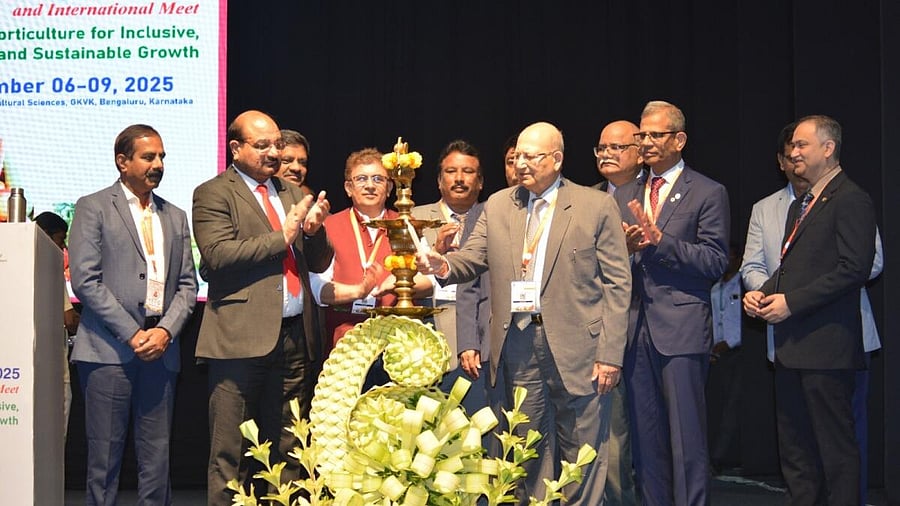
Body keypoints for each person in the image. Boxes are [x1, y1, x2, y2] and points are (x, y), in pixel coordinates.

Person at [417, 121, 632, 505]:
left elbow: (618, 285)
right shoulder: (499, 204)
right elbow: (471, 259)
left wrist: (610, 354)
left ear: (557, 159)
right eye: (517, 157)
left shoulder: (596, 205)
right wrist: (442, 265)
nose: (521, 165)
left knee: (581, 451)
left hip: (580, 349)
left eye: (531, 157)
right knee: (524, 447)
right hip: (516, 344)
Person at [192, 110, 333, 506]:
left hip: (293, 338)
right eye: (263, 145)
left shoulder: (291, 192)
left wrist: (313, 231)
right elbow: (217, 256)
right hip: (239, 340)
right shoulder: (213, 193)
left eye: (277, 144)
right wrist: (283, 235)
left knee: (290, 446)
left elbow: (318, 262)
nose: (274, 152)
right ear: (236, 148)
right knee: (231, 452)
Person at [742, 115, 878, 505]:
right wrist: (763, 294)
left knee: (835, 452)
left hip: (827, 347)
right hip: (791, 347)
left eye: (802, 145)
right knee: (797, 452)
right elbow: (791, 267)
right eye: (792, 148)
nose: (794, 152)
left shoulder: (851, 198)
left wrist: (792, 303)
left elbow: (855, 268)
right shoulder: (800, 204)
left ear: (828, 148)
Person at [68, 124, 198, 505]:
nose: (158, 164)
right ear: (122, 161)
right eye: (148, 156)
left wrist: (165, 332)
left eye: (161, 157)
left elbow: (188, 286)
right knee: (103, 461)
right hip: (108, 352)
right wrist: (133, 333)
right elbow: (85, 281)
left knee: (157, 459)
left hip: (161, 348)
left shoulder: (174, 215)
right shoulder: (93, 206)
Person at [612, 100, 730, 506]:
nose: (645, 142)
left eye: (655, 135)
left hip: (680, 329)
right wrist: (623, 249)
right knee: (646, 439)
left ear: (679, 140)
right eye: (641, 135)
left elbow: (715, 261)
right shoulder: (625, 192)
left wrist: (661, 242)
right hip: (632, 329)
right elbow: (606, 265)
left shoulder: (708, 191)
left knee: (686, 439)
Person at [309, 147, 432, 350]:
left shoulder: (407, 224)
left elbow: (431, 282)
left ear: (390, 187)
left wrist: (399, 282)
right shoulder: (329, 226)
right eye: (361, 179)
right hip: (345, 342)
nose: (369, 186)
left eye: (378, 179)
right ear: (348, 188)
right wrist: (358, 291)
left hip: (399, 343)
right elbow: (315, 287)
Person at [411, 140, 491, 413]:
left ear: (480, 182)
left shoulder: (495, 218)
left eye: (468, 172)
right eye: (451, 171)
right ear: (438, 180)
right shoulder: (414, 218)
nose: (459, 179)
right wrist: (436, 253)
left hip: (480, 342)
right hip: (427, 342)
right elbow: (403, 281)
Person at [592, 119, 642, 506]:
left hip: (650, 327)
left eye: (617, 147)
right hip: (592, 331)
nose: (607, 154)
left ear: (640, 152)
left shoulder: (650, 195)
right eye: (601, 148)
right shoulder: (588, 198)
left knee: (633, 438)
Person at [34, 211, 80, 438]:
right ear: (44, 236)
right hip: (53, 370)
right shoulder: (50, 270)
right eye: (60, 240)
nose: (63, 248)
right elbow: (69, 320)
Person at [707, 243, 744, 475]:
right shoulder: (715, 287)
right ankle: (713, 456)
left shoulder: (743, 284)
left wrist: (728, 343)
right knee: (716, 408)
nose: (728, 259)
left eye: (732, 255)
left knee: (733, 407)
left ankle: (723, 457)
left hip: (736, 353)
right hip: (714, 355)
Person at [277, 129, 314, 197]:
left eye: (303, 163)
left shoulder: (310, 205)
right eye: (286, 161)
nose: (296, 168)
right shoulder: (257, 200)